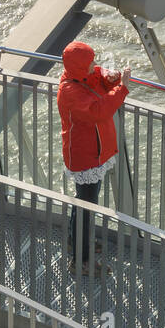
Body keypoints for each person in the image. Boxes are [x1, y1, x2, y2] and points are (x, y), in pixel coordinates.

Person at [56, 40, 130, 274]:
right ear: (80, 67)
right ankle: (81, 261)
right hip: (86, 156)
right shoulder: (71, 91)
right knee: (86, 208)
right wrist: (122, 87)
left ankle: (76, 242)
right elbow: (99, 110)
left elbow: (97, 78)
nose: (95, 64)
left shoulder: (77, 78)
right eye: (90, 62)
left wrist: (109, 77)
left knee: (83, 203)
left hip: (90, 153)